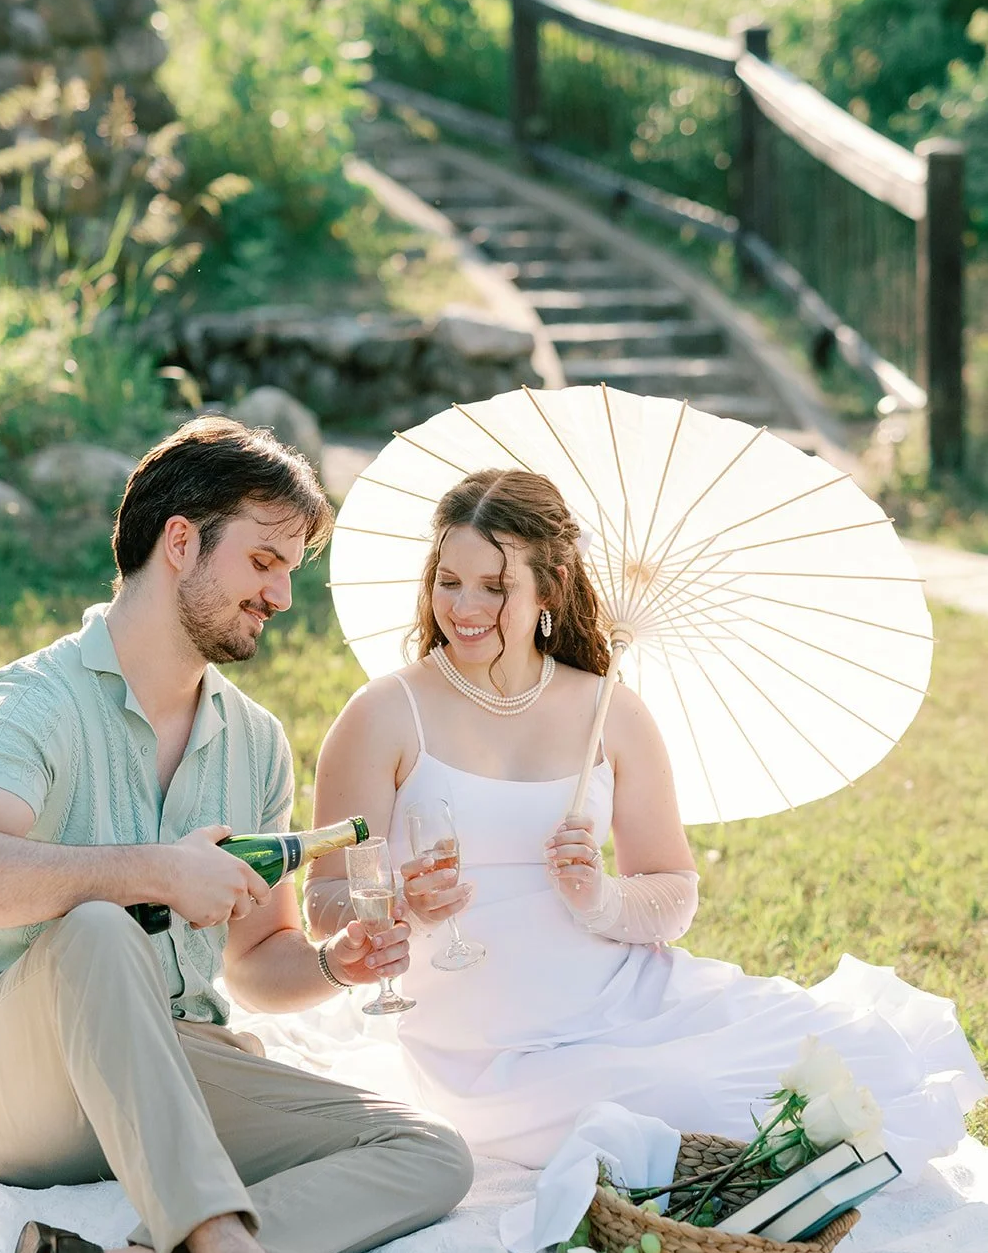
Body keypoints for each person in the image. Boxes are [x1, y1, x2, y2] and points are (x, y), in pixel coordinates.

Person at [0, 416, 472, 1253]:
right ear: (178, 543)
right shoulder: (35, 699)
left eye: (290, 569)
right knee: (93, 929)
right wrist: (149, 872)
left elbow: (258, 962)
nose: (281, 594)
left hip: (163, 1061)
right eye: (261, 558)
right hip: (9, 1087)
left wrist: (337, 963)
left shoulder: (252, 740)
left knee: (430, 1154)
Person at [307, 468, 986, 1174]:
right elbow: (324, 905)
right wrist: (403, 912)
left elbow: (672, 891)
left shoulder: (612, 711)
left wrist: (599, 898)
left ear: (551, 587)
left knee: (826, 1067)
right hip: (484, 1047)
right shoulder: (382, 715)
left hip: (624, 998)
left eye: (494, 586)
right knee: (677, 1101)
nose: (464, 606)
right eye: (448, 581)